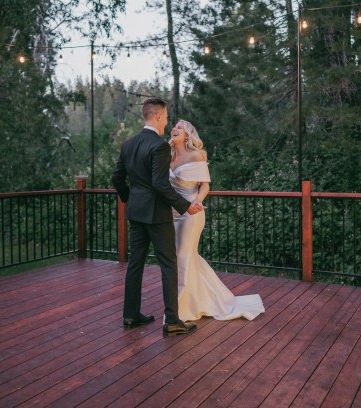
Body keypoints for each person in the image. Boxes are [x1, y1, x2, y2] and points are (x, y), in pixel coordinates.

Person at [111, 97, 203, 337]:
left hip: (136, 213)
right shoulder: (160, 145)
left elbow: (116, 179)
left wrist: (130, 199)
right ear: (159, 116)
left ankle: (130, 315)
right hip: (158, 215)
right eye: (166, 117)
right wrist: (185, 206)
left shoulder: (128, 144)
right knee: (168, 264)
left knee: (135, 264)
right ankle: (172, 320)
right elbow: (160, 184)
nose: (167, 123)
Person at [169, 119, 265, 322]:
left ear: (188, 135)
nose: (174, 129)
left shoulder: (196, 155)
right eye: (174, 127)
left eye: (180, 127)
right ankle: (203, 299)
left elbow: (205, 185)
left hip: (191, 213)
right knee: (185, 257)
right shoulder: (168, 155)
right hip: (172, 213)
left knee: (183, 256)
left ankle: (180, 309)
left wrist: (198, 200)